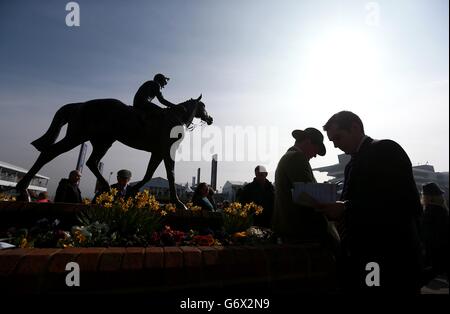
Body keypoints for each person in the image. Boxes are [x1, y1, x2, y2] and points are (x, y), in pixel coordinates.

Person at [318, 110, 423, 293]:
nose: (335, 145)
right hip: (367, 255)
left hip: (391, 254)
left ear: (355, 128)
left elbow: (402, 200)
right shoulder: (352, 164)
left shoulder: (385, 149)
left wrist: (345, 208)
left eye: (337, 138)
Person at [272, 127, 333, 245]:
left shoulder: (288, 157)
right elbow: (310, 194)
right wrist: (339, 201)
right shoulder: (297, 157)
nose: (315, 155)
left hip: (292, 231)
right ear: (308, 141)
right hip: (302, 232)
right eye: (316, 149)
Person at [421, 182, 449, 278]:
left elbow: (426, 235)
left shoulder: (428, 212)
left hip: (433, 253)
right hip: (442, 252)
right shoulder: (441, 211)